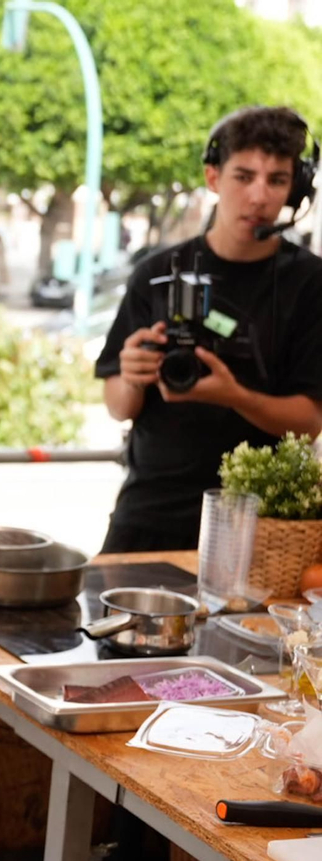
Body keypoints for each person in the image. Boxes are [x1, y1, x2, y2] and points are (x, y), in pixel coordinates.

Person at [97, 105, 322, 552]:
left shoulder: (311, 284)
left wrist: (232, 395)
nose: (259, 196)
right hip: (148, 514)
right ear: (214, 177)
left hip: (259, 527)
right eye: (244, 176)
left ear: (295, 189)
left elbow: (310, 422)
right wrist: (134, 374)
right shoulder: (156, 272)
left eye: (277, 180)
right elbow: (119, 406)